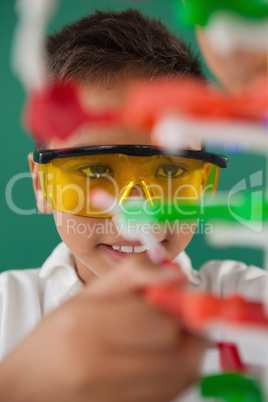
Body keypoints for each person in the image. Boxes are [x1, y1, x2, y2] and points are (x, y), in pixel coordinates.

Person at [0, 9, 267, 402]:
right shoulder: (6, 310)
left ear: (206, 185)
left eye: (172, 173)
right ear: (41, 184)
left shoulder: (249, 302)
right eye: (93, 170)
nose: (135, 215)